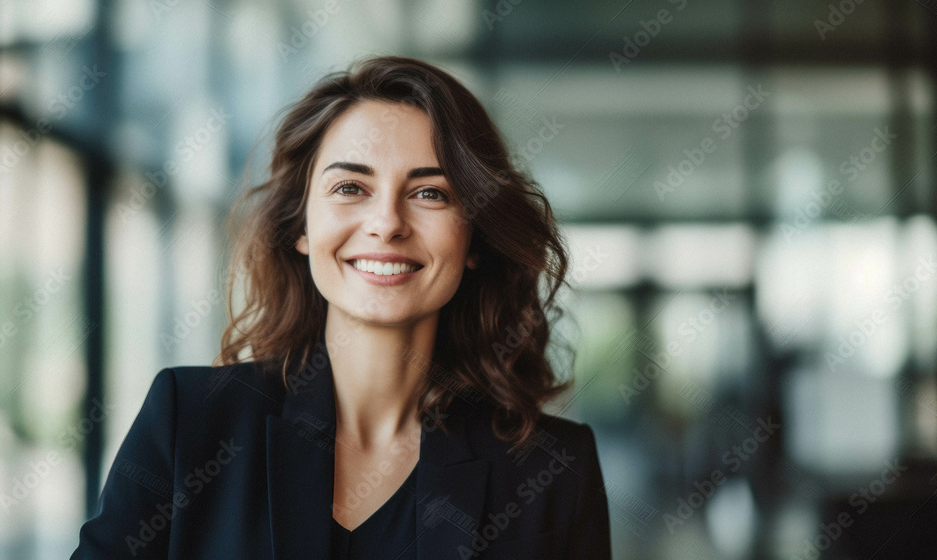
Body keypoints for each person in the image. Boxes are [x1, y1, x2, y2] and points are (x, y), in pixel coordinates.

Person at [71, 55, 611, 559]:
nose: (386, 223)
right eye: (351, 186)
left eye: (430, 194)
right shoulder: (189, 423)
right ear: (302, 227)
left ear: (473, 241)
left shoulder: (553, 469)